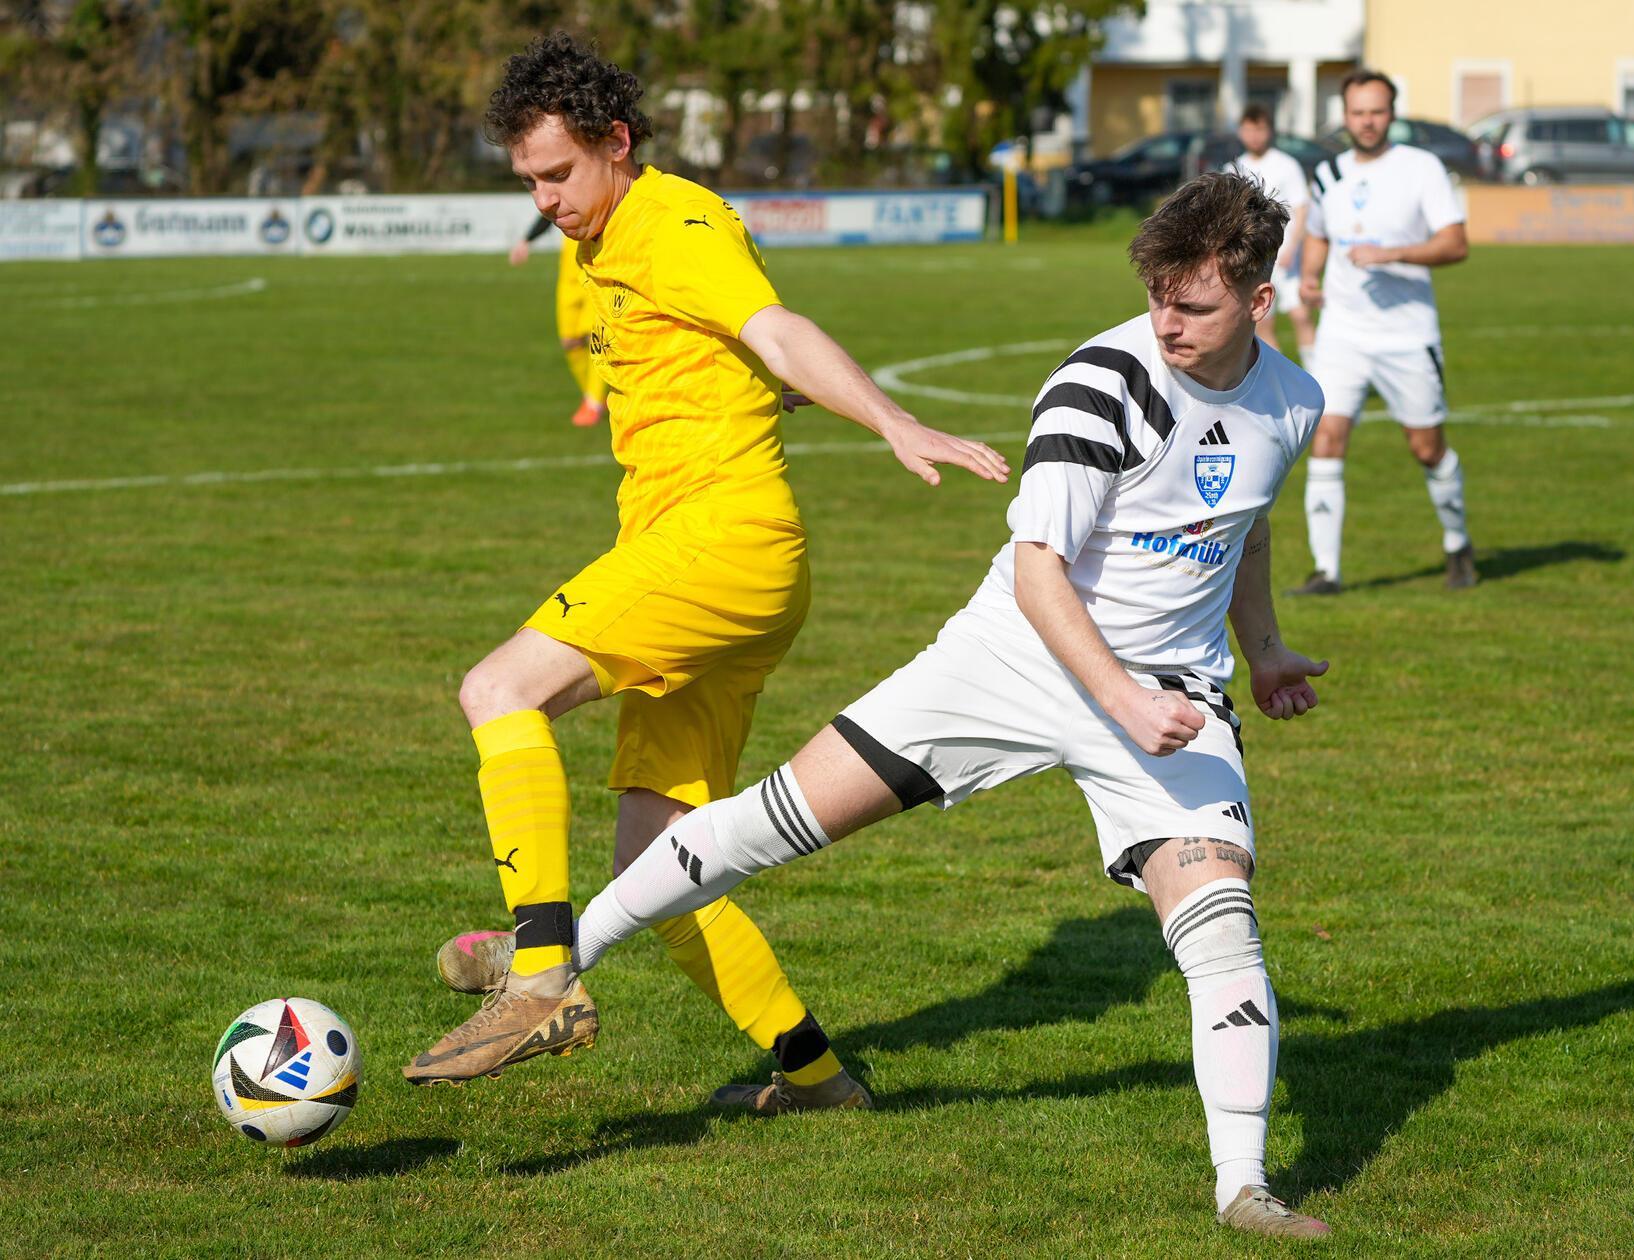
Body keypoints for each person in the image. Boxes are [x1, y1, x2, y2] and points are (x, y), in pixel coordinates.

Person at [557, 173, 1335, 1237]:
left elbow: (1243, 526)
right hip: (1011, 657)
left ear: (1258, 300)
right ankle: (556, 962)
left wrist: (1264, 649)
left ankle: (1243, 1188)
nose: (1167, 323)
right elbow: (1039, 572)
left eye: (1192, 306)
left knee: (1222, 929)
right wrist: (1118, 696)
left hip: (1169, 694)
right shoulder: (1101, 382)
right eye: (1156, 296)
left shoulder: (1291, 401)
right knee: (773, 821)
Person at [403, 32, 1011, 1100]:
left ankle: (539, 975)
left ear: (616, 142)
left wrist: (890, 419)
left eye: (558, 174)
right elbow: (727, 357)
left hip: (719, 545)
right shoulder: (604, 240)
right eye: (528, 181)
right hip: (715, 559)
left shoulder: (671, 223)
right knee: (657, 869)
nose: (544, 200)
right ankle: (815, 1076)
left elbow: (775, 330)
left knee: (498, 689)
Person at [1294, 69, 1474, 595]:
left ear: (1391, 114)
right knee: (1327, 436)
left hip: (1407, 335)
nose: (1367, 122)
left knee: (1426, 447)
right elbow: (1318, 234)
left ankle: (1457, 542)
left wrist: (1392, 253)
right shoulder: (1328, 172)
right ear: (1345, 116)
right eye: (1358, 113)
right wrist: (1310, 276)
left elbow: (1456, 243)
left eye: (1376, 112)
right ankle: (1326, 570)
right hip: (1343, 332)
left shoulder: (1421, 168)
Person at [1223, 104, 1317, 357]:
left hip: (1287, 258)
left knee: (1300, 315)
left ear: (1270, 131)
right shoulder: (1234, 168)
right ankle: (1276, 376)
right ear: (1240, 132)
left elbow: (1301, 208)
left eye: (1260, 129)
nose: (1254, 136)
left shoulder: (1286, 164)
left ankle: (1315, 372)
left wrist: (1292, 247)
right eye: (1249, 130)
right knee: (1263, 321)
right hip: (1255, 258)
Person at [509, 219, 607, 427]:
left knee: (596, 340)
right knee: (570, 342)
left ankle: (594, 403)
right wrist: (527, 240)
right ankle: (594, 395)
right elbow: (550, 215)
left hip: (595, 273)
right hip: (568, 279)